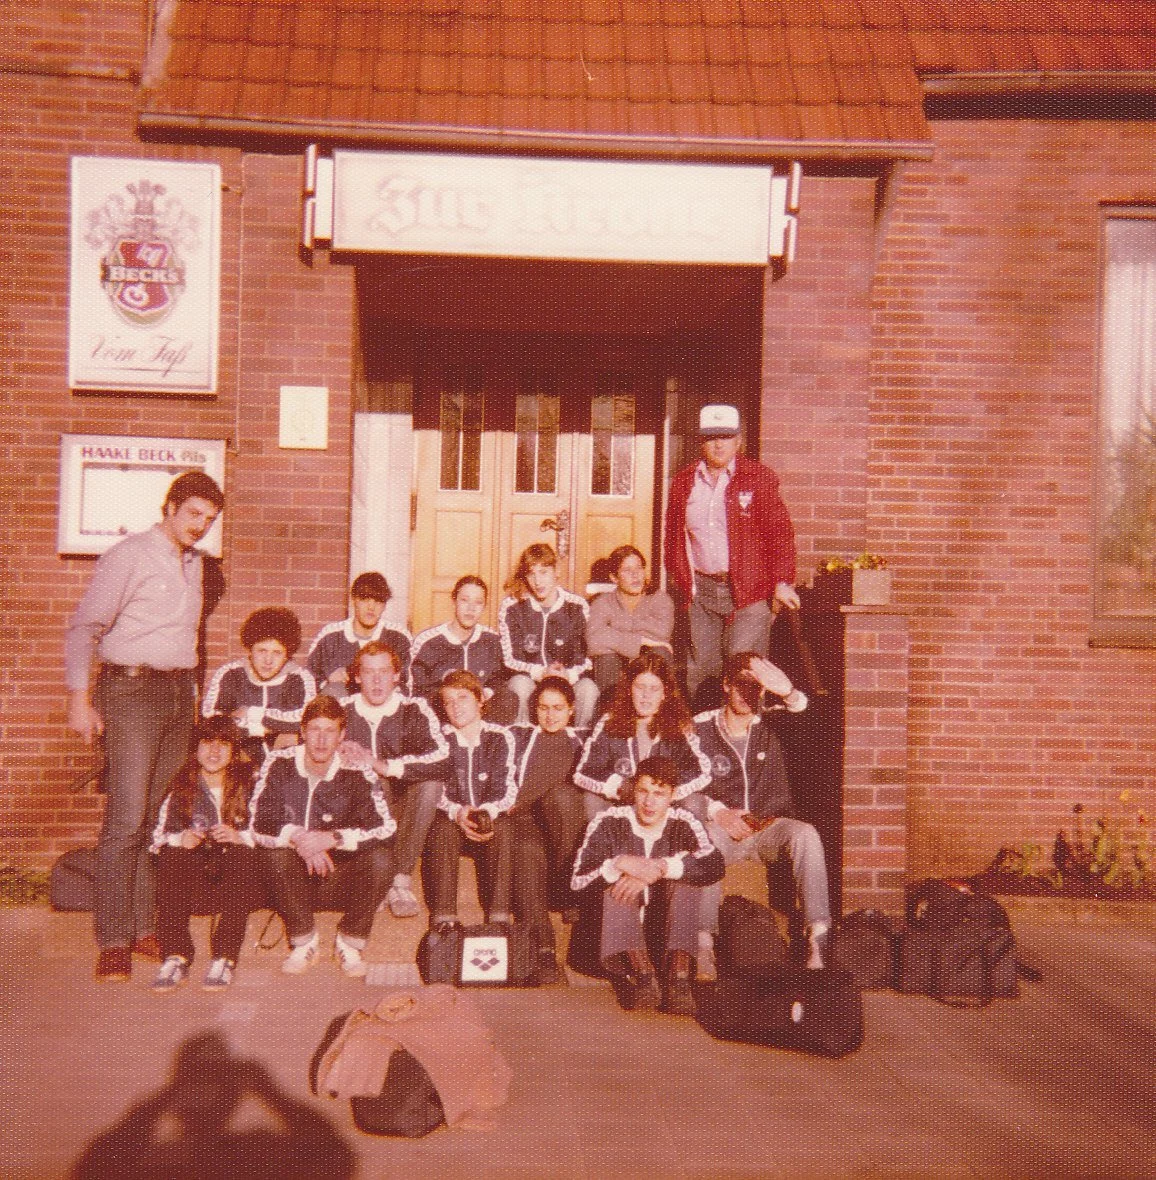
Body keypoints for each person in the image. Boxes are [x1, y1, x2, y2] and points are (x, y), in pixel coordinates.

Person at [64, 469, 225, 981]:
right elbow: (84, 629)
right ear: (170, 508)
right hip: (131, 692)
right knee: (127, 818)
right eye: (193, 513)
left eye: (209, 518)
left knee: (157, 819)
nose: (200, 525)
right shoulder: (129, 555)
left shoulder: (197, 564)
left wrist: (192, 701)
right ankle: (114, 939)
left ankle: (143, 927)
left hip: (178, 695)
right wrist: (79, 701)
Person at [692, 650, 831, 969]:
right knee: (703, 839)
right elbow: (680, 782)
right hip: (723, 831)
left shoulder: (774, 723)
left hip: (768, 828)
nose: (748, 693)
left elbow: (819, 726)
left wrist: (789, 692)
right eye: (741, 684)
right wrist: (716, 812)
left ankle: (818, 937)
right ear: (726, 685)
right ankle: (703, 944)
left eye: (756, 686)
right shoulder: (700, 729)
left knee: (806, 834)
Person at [250, 694, 395, 977]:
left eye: (330, 731)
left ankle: (349, 942)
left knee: (382, 859)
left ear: (341, 735)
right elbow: (259, 821)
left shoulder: (356, 770)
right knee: (274, 855)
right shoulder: (279, 763)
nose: (321, 739)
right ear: (302, 732)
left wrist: (333, 838)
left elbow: (385, 827)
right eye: (315, 729)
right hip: (293, 881)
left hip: (338, 878)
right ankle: (304, 941)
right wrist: (299, 837)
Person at [664, 403, 800, 705]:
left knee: (745, 668)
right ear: (701, 441)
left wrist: (782, 581)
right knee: (702, 671)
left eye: (726, 437)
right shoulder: (684, 482)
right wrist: (679, 577)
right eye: (711, 437)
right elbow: (672, 535)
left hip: (750, 591)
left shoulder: (758, 478)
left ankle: (746, 733)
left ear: (738, 440)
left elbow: (779, 532)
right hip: (701, 591)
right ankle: (704, 731)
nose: (718, 444)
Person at [571, 755, 724, 1015]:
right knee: (618, 883)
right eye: (643, 791)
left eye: (659, 794)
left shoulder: (684, 821)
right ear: (633, 790)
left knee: (686, 881)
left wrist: (661, 868)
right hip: (622, 938)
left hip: (668, 931)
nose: (649, 802)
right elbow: (578, 881)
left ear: (672, 795)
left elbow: (714, 865)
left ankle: (678, 980)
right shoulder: (609, 821)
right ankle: (643, 977)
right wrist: (618, 863)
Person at [149, 715, 268, 992]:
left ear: (234, 751)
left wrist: (241, 836)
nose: (214, 751)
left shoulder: (250, 784)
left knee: (241, 853)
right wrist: (180, 837)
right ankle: (176, 955)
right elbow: (156, 838)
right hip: (197, 885)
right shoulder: (181, 787)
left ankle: (224, 957)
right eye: (207, 743)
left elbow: (269, 831)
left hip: (241, 885)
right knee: (174, 853)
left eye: (223, 744)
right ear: (196, 748)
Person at [338, 640, 449, 919]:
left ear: (396, 675)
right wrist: (340, 755)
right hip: (359, 812)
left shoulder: (414, 709)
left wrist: (383, 766)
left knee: (430, 785)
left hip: (403, 809)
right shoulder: (341, 710)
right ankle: (373, 878)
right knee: (369, 781)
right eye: (369, 672)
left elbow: (442, 758)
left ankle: (399, 880)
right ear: (357, 677)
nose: (377, 680)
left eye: (384, 672)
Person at [422, 671, 517, 933]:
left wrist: (487, 811)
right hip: (453, 818)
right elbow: (436, 787)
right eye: (448, 701)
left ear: (480, 700)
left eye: (462, 698)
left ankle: (499, 917)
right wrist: (457, 811)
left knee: (504, 829)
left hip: (488, 816)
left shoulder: (500, 737)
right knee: (441, 831)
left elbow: (507, 785)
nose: (455, 706)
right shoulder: (439, 739)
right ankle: (444, 918)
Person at [508, 676, 589, 980]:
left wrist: (520, 800)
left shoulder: (583, 739)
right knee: (526, 851)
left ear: (571, 709)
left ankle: (569, 890)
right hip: (526, 820)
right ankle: (543, 949)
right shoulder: (519, 736)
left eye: (558, 708)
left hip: (564, 824)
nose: (550, 715)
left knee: (561, 796)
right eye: (543, 708)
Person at [573, 651, 711, 819]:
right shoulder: (610, 721)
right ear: (629, 689)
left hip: (663, 809)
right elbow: (585, 770)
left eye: (654, 689)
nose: (646, 695)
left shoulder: (678, 724)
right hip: (622, 807)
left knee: (694, 802)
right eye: (640, 687)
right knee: (591, 799)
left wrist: (663, 789)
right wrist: (622, 787)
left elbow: (700, 770)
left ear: (664, 693)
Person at [497, 543, 599, 728]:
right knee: (520, 684)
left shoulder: (577, 606)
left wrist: (568, 674)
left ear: (556, 571)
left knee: (588, 688)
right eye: (531, 574)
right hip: (532, 681)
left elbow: (587, 657)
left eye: (543, 572)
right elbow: (509, 659)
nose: (537, 581)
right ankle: (522, 740)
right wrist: (540, 673)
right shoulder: (513, 607)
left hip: (566, 682)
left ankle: (581, 740)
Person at [201, 605, 316, 765]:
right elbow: (213, 722)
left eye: (277, 653)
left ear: (287, 654)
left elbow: (307, 721)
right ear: (250, 649)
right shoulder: (230, 674)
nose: (268, 660)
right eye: (262, 651)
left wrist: (252, 713)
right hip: (239, 762)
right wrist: (264, 730)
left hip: (284, 764)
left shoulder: (299, 678)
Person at [409, 574, 515, 721]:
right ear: (454, 601)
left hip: (481, 718)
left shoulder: (492, 641)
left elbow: (499, 679)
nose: (471, 608)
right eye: (464, 600)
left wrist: (487, 692)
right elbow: (417, 690)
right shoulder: (428, 642)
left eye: (478, 602)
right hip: (443, 717)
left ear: (484, 606)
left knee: (509, 697)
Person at [586, 544, 675, 702]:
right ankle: (612, 711)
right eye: (627, 570)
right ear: (614, 577)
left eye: (639, 568)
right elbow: (593, 640)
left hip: (648, 659)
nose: (635, 575)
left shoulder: (660, 599)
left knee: (660, 652)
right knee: (606, 658)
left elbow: (661, 633)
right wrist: (642, 642)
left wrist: (616, 634)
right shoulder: (602, 602)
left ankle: (656, 709)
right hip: (615, 662)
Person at [306, 571, 412, 696]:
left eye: (378, 601)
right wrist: (327, 680)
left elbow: (408, 685)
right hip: (341, 704)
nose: (371, 607)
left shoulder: (398, 637)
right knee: (334, 690)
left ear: (384, 605)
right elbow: (308, 682)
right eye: (364, 599)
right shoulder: (330, 636)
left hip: (383, 703)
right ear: (353, 600)